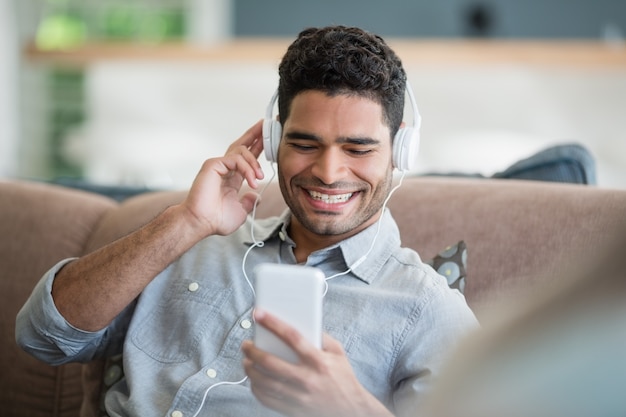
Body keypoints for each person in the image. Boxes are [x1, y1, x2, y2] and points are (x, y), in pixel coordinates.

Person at [16, 25, 477, 417]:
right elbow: (41, 337)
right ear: (273, 138)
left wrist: (350, 407)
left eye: (358, 149)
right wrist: (186, 222)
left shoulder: (426, 309)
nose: (329, 172)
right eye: (304, 144)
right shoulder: (191, 240)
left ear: (399, 152)